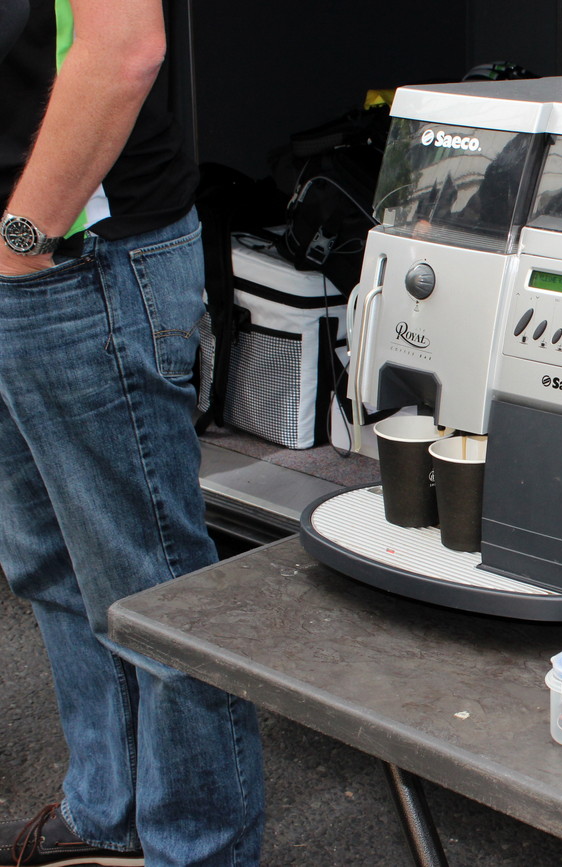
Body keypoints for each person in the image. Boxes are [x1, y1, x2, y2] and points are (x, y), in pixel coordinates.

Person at [0, 0, 265, 864]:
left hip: (77, 259)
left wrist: (20, 241)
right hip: (29, 258)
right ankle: (109, 815)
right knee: (48, 561)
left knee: (149, 591)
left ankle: (202, 847)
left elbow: (124, 44)